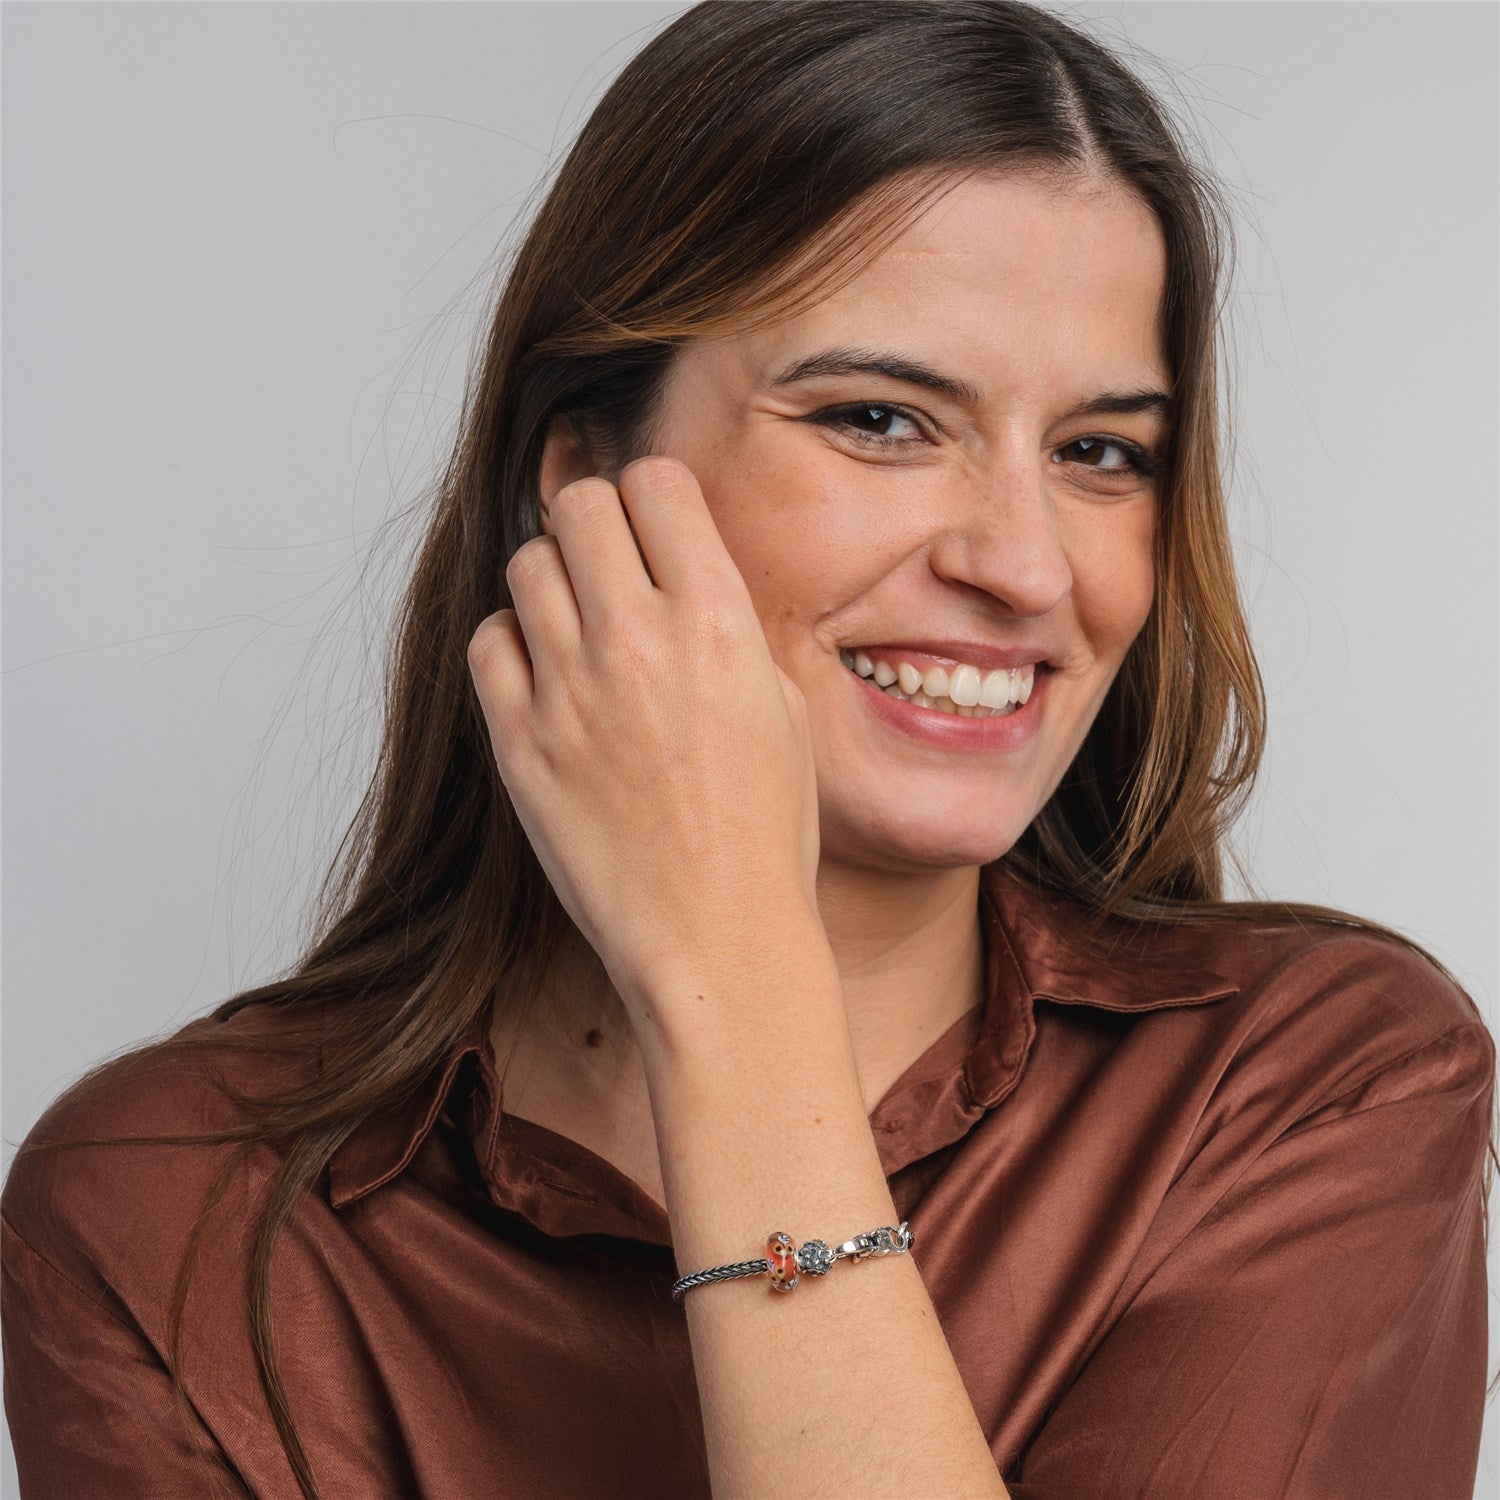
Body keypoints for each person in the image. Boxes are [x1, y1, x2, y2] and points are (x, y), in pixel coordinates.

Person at [3, 2, 1494, 1496]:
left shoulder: (1320, 1088)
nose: (1028, 566)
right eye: (881, 419)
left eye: (1101, 451)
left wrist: (727, 993)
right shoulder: (165, 1221)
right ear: (583, 480)